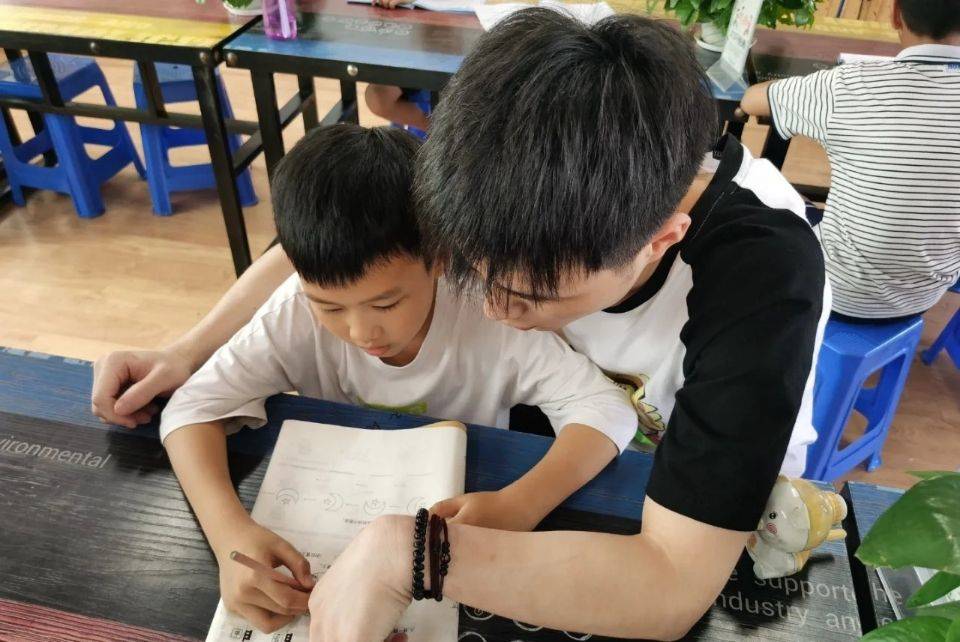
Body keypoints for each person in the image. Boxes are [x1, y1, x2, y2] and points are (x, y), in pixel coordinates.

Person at [93, 11, 829, 640]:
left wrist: (408, 556)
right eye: (471, 273)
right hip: (547, 447)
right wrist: (192, 349)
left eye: (525, 296)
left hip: (686, 492)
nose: (490, 312)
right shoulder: (502, 151)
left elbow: (670, 584)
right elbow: (332, 248)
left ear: (657, 242)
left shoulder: (762, 277)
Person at [157, 123, 636, 633]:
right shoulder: (293, 313)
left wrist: (519, 504)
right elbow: (190, 409)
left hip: (460, 520)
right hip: (337, 514)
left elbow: (606, 407)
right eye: (330, 307)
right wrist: (229, 533)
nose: (361, 332)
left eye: (386, 304)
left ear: (440, 258)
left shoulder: (487, 313)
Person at [740, 0, 960, 322]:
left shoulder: (850, 83)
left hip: (834, 289)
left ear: (895, 14)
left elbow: (752, 100)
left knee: (757, 178)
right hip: (923, 297)